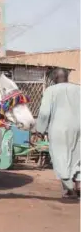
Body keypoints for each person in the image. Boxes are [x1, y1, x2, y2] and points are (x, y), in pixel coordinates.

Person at [35, 68, 80, 199]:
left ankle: (69, 189)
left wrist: (40, 129)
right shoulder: (79, 89)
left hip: (60, 129)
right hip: (79, 127)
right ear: (66, 77)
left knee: (61, 156)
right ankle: (79, 186)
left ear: (54, 78)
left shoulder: (51, 91)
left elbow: (44, 114)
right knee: (77, 157)